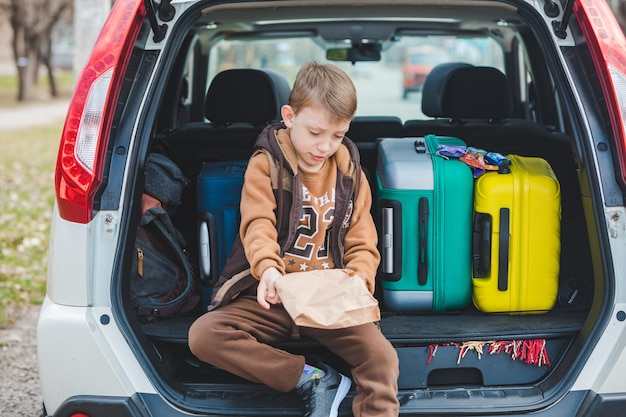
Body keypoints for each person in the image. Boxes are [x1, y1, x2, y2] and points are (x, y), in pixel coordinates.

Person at [188, 62, 399, 417]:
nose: (325, 146)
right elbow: (257, 224)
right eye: (315, 132)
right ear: (289, 116)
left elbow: (363, 240)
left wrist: (359, 282)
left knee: (382, 360)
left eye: (337, 135)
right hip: (276, 294)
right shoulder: (266, 164)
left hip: (328, 300)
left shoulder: (351, 173)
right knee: (205, 336)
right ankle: (312, 380)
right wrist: (268, 270)